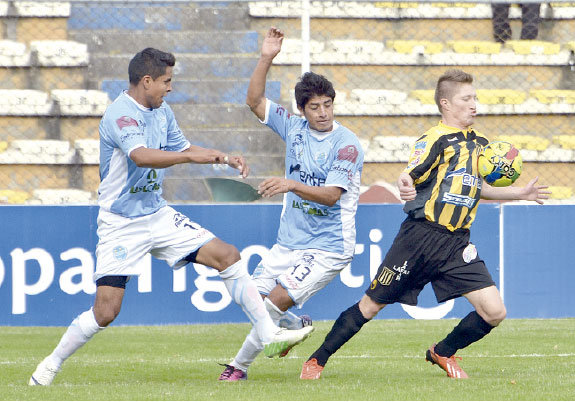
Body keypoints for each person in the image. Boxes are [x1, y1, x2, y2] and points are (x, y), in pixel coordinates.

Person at [28, 47, 314, 386]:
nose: (170, 88)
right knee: (106, 311)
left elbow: (185, 149)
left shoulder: (162, 112)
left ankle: (267, 334)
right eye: (166, 81)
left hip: (157, 214)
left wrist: (220, 157)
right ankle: (51, 364)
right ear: (146, 81)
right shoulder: (120, 114)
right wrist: (187, 160)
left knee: (227, 255)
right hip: (122, 223)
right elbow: (142, 157)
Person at [300, 69, 550, 380]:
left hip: (456, 243)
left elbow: (477, 187)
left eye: (475, 98)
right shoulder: (435, 139)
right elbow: (410, 173)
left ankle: (442, 352)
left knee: (495, 311)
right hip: (419, 237)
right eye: (466, 99)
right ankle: (316, 360)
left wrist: (521, 193)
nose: (474, 104)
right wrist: (404, 183)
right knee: (371, 305)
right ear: (446, 103)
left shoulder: (482, 145)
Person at [218, 27, 364, 381]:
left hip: (328, 246)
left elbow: (331, 195)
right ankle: (294, 324)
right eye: (315, 107)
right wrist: (266, 57)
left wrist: (290, 184)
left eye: (328, 105)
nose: (323, 113)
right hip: (289, 241)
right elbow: (254, 101)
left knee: (269, 305)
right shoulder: (294, 128)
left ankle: (238, 368)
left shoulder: (347, 144)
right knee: (250, 298)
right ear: (302, 109)